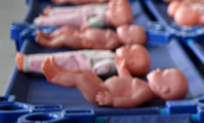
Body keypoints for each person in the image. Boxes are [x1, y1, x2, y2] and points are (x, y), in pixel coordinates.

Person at [42, 56, 187, 107]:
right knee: (85, 73)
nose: (159, 69)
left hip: (101, 94)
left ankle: (57, 76)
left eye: (164, 73)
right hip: (102, 86)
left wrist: (113, 100)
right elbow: (127, 82)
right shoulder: (144, 85)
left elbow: (131, 101)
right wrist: (121, 68)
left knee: (81, 79)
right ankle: (61, 71)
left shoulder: (145, 93)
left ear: (163, 89)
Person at [17, 43, 150, 77]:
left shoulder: (113, 64)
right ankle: (28, 60)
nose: (127, 45)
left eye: (130, 49)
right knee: (55, 57)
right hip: (81, 56)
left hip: (78, 64)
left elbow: (99, 70)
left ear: (131, 61)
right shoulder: (113, 54)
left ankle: (28, 64)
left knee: (53, 63)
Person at [33, 0, 134, 28]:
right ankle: (52, 13)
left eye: (116, 9)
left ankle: (43, 21)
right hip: (83, 10)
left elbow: (91, 24)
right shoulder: (105, 8)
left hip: (81, 18)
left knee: (64, 20)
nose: (114, 5)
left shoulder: (103, 19)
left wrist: (86, 26)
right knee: (68, 11)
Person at [35, 24, 147, 50]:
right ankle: (50, 35)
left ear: (129, 40)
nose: (125, 26)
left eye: (128, 29)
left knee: (65, 38)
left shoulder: (114, 41)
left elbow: (104, 47)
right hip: (82, 33)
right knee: (65, 29)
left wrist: (93, 44)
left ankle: (49, 43)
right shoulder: (113, 33)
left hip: (84, 41)